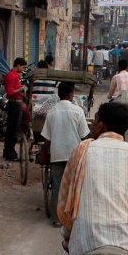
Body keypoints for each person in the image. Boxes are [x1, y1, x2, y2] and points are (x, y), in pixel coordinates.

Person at [57, 102, 128, 255]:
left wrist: (68, 237)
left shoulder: (81, 150)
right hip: (126, 241)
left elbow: (68, 203)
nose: (92, 126)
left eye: (94, 121)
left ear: (102, 125)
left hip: (84, 242)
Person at [41, 82, 90, 227]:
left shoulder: (52, 112)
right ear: (71, 94)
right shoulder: (78, 111)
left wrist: (43, 154)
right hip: (74, 155)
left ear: (59, 94)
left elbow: (47, 139)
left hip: (57, 154)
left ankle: (56, 219)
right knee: (75, 186)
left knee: (57, 185)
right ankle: (74, 217)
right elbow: (84, 135)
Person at [3, 57, 26, 161]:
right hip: (15, 105)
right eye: (23, 67)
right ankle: (10, 153)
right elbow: (10, 92)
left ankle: (7, 151)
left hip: (13, 104)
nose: (23, 69)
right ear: (18, 65)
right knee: (14, 130)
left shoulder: (10, 75)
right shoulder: (13, 76)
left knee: (10, 129)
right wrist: (20, 89)